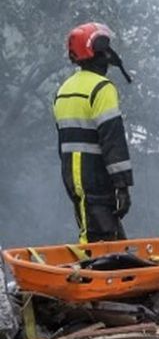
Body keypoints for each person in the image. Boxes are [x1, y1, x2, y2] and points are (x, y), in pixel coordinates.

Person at [55, 22, 135, 244]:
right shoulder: (102, 87)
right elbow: (113, 140)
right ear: (96, 51)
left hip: (72, 175)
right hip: (95, 176)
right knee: (100, 243)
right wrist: (122, 186)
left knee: (107, 237)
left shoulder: (64, 89)